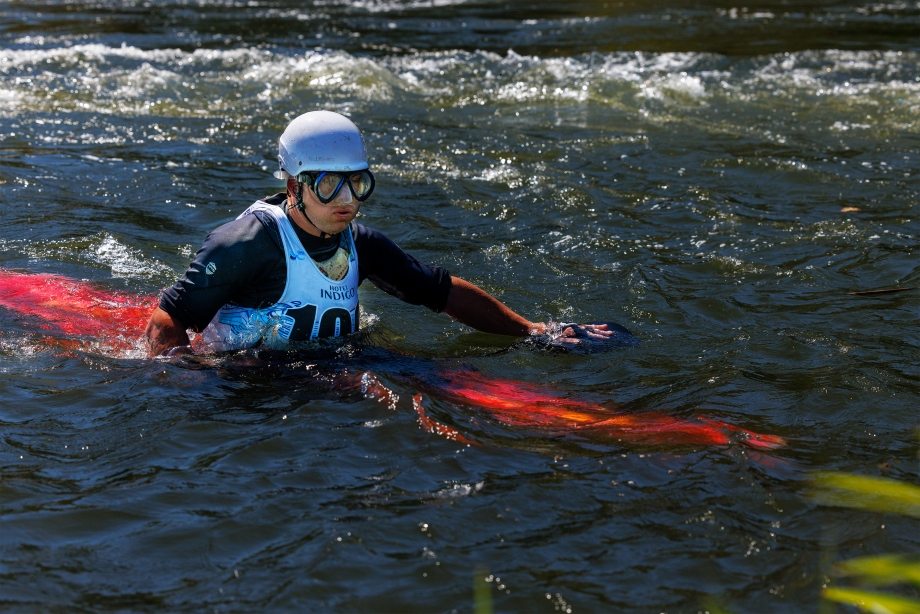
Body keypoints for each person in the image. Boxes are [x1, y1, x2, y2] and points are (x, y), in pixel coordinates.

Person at [144, 111, 614, 357]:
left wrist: (533, 331)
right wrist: (189, 383)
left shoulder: (362, 244)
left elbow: (441, 292)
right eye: (330, 184)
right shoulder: (244, 244)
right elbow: (169, 320)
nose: (348, 198)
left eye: (359, 182)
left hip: (330, 365)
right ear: (294, 186)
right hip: (251, 380)